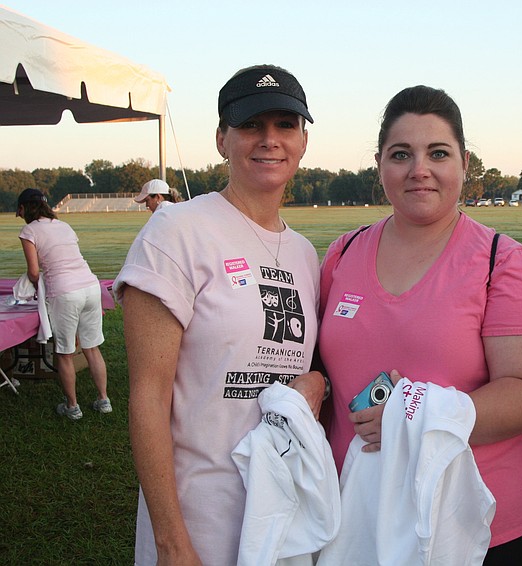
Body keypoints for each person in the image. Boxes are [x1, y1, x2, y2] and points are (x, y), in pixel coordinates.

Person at [318, 85, 522, 564]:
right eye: (401, 154)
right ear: (380, 164)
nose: (419, 170)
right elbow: (326, 366)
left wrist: (413, 421)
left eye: (438, 153)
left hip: (486, 523)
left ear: (464, 163)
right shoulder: (342, 254)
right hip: (362, 514)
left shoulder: (503, 262)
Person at [114, 65, 327, 566]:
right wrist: (172, 541)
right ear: (221, 139)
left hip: (283, 513)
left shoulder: (303, 253)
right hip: (200, 515)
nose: (270, 140)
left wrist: (319, 380)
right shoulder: (177, 231)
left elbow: (299, 368)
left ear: (303, 141)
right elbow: (149, 395)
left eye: (285, 125)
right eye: (252, 125)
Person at [16, 188, 111, 420]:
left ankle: (72, 406)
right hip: (90, 286)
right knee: (92, 347)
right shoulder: (64, 226)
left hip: (65, 292)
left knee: (65, 352)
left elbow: (34, 272)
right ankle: (103, 399)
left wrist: (30, 287)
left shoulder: (29, 230)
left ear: (24, 208)